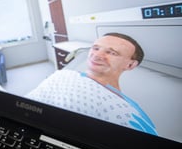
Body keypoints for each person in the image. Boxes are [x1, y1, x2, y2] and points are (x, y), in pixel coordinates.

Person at [26, 33, 157, 135]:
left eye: (112, 52)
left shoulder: (128, 113)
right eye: (95, 48)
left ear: (130, 65)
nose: (97, 55)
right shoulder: (63, 74)